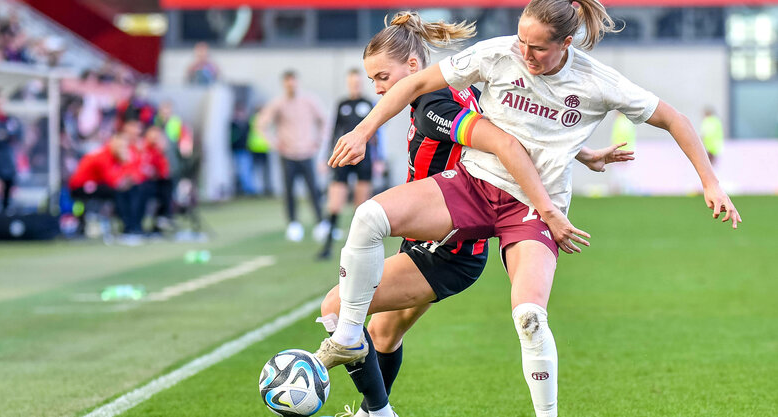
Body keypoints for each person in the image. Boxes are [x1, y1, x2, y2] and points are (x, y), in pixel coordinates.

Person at [319, 2, 742, 417]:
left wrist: (710, 182)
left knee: (530, 317)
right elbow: (501, 120)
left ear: (566, 43)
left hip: (517, 212)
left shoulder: (595, 82)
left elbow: (672, 120)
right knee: (371, 236)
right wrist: (361, 132)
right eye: (521, 40)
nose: (524, 53)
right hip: (473, 187)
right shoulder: (499, 54)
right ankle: (359, 365)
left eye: (537, 47)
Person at [257, 70, 329, 242]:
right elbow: (261, 124)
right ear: (284, 84)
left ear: (297, 82)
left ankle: (321, 223)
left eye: (293, 82)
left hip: (307, 152)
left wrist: (318, 141)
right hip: (287, 154)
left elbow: (324, 120)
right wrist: (274, 143)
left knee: (313, 189)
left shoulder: (308, 100)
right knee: (289, 191)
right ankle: (293, 225)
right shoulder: (278, 103)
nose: (291, 85)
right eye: (288, 83)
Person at [317, 68, 380, 260]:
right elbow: (333, 133)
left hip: (364, 158)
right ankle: (327, 246)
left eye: (358, 82)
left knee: (360, 206)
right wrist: (326, 158)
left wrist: (379, 159)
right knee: (335, 202)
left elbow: (378, 135)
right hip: (344, 157)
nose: (355, 85)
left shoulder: (369, 104)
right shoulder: (342, 104)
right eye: (352, 82)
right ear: (348, 83)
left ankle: (358, 249)